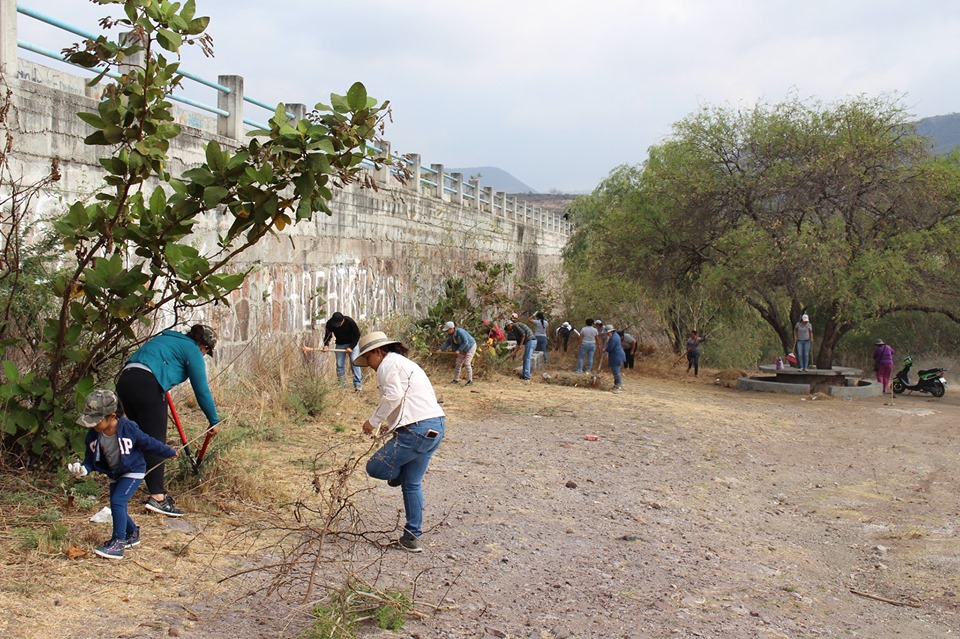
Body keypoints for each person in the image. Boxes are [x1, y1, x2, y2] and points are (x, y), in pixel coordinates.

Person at [354, 332, 445, 553]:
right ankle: (412, 537)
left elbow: (393, 395)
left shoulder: (388, 364)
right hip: (435, 425)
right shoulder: (406, 364)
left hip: (417, 429)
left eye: (369, 359)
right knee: (412, 484)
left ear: (377, 352)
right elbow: (414, 398)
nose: (370, 366)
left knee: (375, 467)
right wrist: (394, 424)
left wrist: (373, 421)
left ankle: (397, 474)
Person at [115, 324, 219, 517]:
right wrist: (214, 420)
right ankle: (158, 497)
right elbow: (201, 390)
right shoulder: (193, 351)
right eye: (206, 351)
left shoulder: (166, 339)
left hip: (125, 381)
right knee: (154, 440)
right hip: (148, 384)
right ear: (203, 346)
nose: (204, 355)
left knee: (139, 438)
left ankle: (126, 484)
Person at [68, 390, 178, 559]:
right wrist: (83, 469)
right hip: (115, 472)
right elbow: (89, 460)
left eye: (96, 421)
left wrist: (168, 451)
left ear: (112, 416)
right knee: (116, 504)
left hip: (133, 470)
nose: (92, 425)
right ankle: (132, 532)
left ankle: (118, 543)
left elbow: (147, 442)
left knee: (118, 500)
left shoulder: (128, 427)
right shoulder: (92, 435)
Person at [321, 312, 363, 391]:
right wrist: (326, 345)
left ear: (343, 320)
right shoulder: (330, 323)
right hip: (340, 344)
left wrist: (351, 347)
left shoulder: (349, 322)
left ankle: (357, 384)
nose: (337, 325)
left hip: (352, 343)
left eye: (339, 323)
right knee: (339, 364)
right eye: (335, 324)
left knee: (355, 362)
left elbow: (357, 335)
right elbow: (327, 335)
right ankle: (342, 385)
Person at [439, 321, 477, 386]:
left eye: (448, 330)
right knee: (458, 363)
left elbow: (466, 342)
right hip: (462, 348)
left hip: (470, 347)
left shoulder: (460, 332)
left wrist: (459, 350)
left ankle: (470, 381)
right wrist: (441, 349)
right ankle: (456, 380)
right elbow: (448, 342)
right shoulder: (451, 335)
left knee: (467, 363)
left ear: (451, 329)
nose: (447, 332)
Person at [873, 338, 895, 404]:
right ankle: (885, 389)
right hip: (890, 364)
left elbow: (874, 357)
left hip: (881, 364)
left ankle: (881, 389)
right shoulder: (888, 347)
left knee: (880, 376)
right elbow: (893, 352)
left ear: (877, 344)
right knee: (886, 376)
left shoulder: (878, 349)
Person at [605, 324, 626, 393]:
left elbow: (610, 348)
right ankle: (616, 384)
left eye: (607, 332)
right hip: (616, 355)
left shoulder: (614, 338)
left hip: (617, 356)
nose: (607, 334)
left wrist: (605, 349)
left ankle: (618, 386)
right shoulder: (615, 336)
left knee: (616, 371)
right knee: (615, 371)